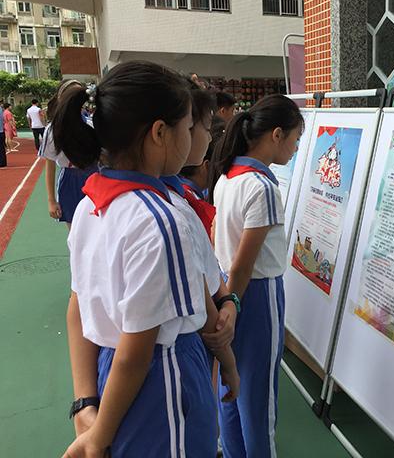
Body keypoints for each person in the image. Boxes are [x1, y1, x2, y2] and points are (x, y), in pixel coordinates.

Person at [53, 61, 239, 458]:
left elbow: (78, 304)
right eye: (187, 126)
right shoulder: (161, 221)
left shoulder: (90, 204)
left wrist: (86, 404)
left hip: (111, 376)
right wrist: (98, 439)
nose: (193, 136)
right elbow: (137, 353)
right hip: (161, 379)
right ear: (159, 133)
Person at [210, 94, 303, 457]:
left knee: (231, 386)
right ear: (276, 135)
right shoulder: (262, 187)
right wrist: (234, 304)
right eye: (295, 139)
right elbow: (244, 264)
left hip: (226, 289)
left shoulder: (227, 176)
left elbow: (226, 250)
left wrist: (227, 302)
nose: (295, 148)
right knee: (259, 397)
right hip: (256, 295)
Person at [39, 80, 96, 228]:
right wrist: (51, 200)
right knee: (75, 231)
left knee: (97, 228)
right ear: (61, 99)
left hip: (95, 177)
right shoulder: (53, 130)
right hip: (71, 182)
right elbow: (50, 165)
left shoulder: (91, 123)